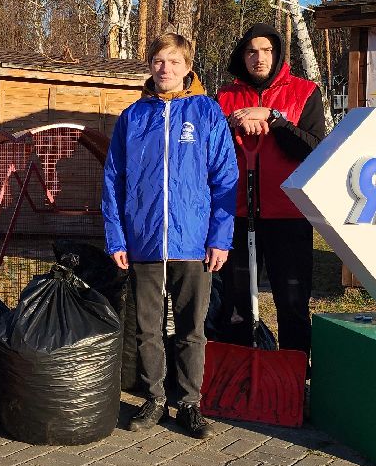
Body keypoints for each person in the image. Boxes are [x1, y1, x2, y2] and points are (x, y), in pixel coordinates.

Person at [103, 32, 238, 438]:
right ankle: (155, 398)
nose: (166, 69)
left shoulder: (206, 113)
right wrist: (117, 237)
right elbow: (114, 180)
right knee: (146, 328)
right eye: (159, 61)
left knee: (191, 328)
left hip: (192, 242)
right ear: (149, 65)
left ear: (187, 68)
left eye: (174, 62)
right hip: (144, 241)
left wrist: (220, 236)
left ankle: (190, 403)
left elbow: (225, 177)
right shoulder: (132, 117)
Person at [216, 23, 326, 353]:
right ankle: (241, 374)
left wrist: (274, 118)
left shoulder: (305, 92)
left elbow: (315, 150)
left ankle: (294, 378)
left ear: (277, 54)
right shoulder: (225, 97)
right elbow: (211, 150)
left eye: (266, 50)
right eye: (251, 51)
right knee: (236, 303)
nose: (259, 58)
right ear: (242, 56)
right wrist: (229, 122)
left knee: (292, 302)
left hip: (289, 215)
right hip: (235, 214)